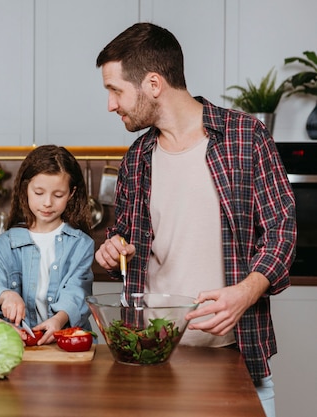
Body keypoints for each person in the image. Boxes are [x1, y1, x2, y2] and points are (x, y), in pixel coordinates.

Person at [93, 23, 296, 417]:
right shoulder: (137, 158)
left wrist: (247, 291)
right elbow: (124, 238)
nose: (111, 105)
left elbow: (282, 230)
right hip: (152, 359)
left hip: (234, 358)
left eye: (115, 90)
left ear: (153, 83)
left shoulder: (245, 137)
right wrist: (113, 247)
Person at [0, 145, 95, 345]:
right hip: (16, 342)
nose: (47, 202)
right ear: (25, 189)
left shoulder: (81, 244)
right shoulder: (6, 243)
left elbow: (77, 291)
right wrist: (6, 295)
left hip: (66, 343)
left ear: (71, 193)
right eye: (39, 192)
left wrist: (58, 320)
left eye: (58, 195)